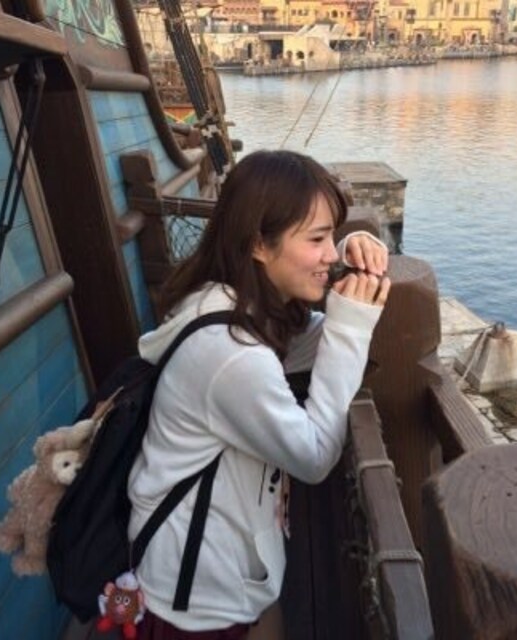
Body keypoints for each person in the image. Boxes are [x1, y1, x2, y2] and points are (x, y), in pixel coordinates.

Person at [128, 149, 391, 639]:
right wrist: (350, 327)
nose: (331, 255)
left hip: (231, 561)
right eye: (317, 239)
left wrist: (360, 251)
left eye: (332, 236)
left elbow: (310, 344)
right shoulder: (229, 352)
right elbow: (313, 457)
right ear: (258, 245)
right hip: (196, 588)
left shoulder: (231, 301)